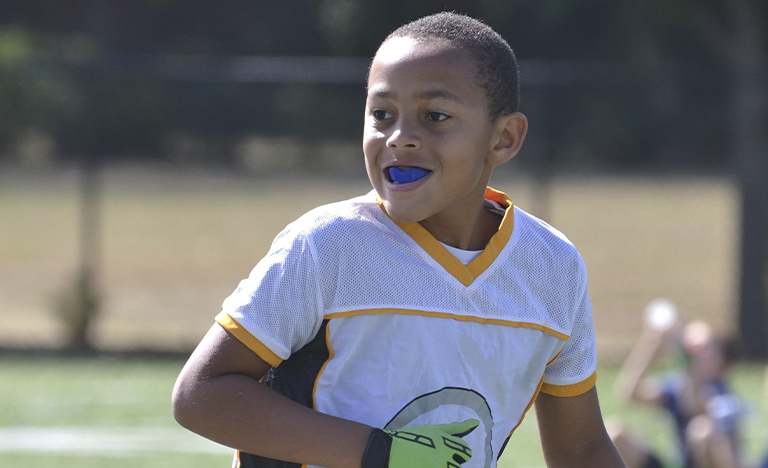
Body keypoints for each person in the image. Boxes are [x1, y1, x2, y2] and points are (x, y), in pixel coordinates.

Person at [172, 12, 626, 468]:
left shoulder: (553, 267)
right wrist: (382, 454)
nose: (400, 138)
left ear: (504, 138)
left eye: (436, 116)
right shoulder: (329, 244)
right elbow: (201, 393)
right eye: (382, 114)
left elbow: (580, 448)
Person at [610, 299, 743, 468]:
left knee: (702, 431)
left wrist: (686, 361)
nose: (692, 349)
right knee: (615, 435)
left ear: (720, 362)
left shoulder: (720, 390)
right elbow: (630, 393)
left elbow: (696, 406)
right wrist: (651, 346)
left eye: (703, 346)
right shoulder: (678, 384)